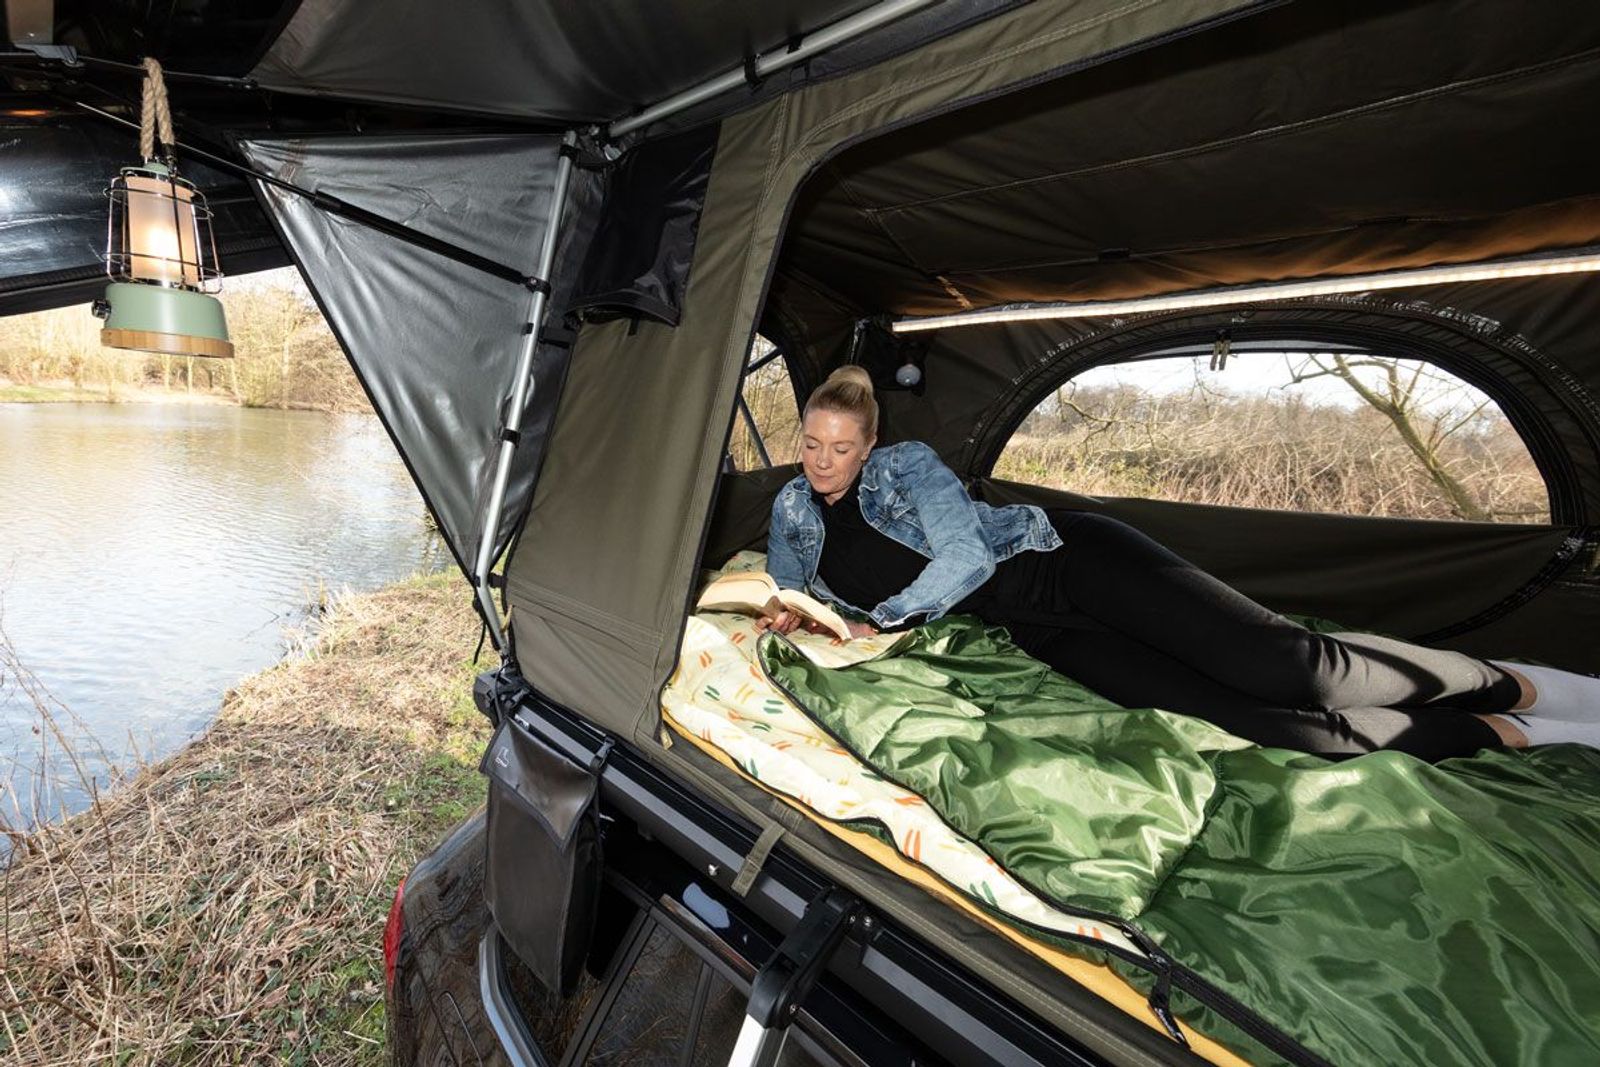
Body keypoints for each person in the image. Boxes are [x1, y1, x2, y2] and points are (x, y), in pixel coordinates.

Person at [759, 366, 1600, 760]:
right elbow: (788, 579)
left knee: (1286, 666)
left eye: (842, 446)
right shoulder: (793, 506)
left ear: (869, 444)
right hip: (1043, 626)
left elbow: (969, 557)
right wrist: (785, 607)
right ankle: (1509, 731)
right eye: (811, 443)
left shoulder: (907, 469)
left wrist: (884, 618)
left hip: (1072, 560)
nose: (824, 460)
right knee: (1265, 724)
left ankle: (1517, 681)